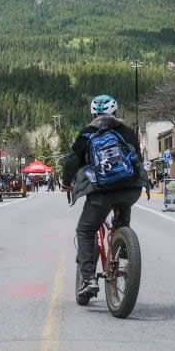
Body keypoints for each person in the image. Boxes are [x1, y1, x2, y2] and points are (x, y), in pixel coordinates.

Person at [61, 94, 146, 306]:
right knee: (122, 209)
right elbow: (138, 159)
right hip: (130, 189)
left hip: (101, 191)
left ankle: (88, 279)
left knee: (86, 230)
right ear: (115, 112)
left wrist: (66, 182)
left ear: (93, 114)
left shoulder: (87, 133)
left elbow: (73, 160)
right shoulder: (127, 132)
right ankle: (123, 242)